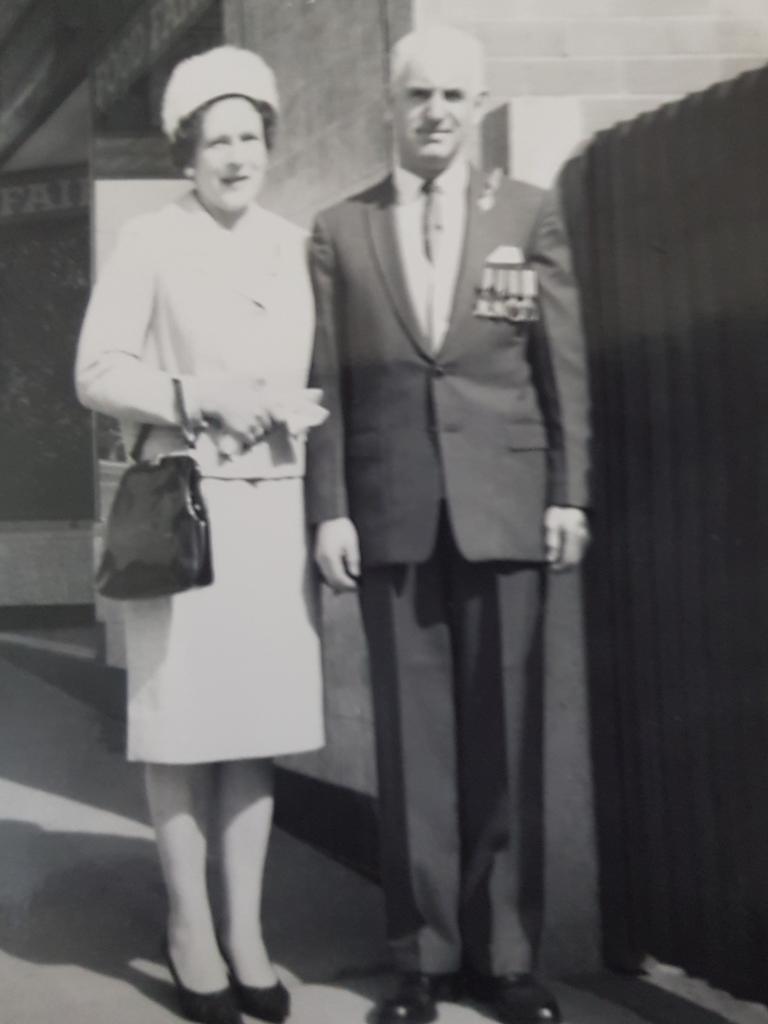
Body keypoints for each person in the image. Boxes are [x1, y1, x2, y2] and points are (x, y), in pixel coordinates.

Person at [306, 26, 590, 1024]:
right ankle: (422, 959)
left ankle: (506, 956)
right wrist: (331, 510)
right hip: (391, 514)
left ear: (477, 107)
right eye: (418, 95)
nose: (436, 112)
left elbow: (564, 363)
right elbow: (328, 388)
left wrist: (569, 490)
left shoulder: (527, 211)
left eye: (454, 97)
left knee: (506, 743)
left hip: (508, 510)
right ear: (392, 105)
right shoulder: (340, 230)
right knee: (413, 749)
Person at [76, 46, 326, 1024]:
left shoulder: (295, 243)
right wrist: (197, 393)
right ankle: (190, 929)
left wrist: (281, 406)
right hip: (181, 508)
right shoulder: (149, 240)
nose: (235, 154)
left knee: (254, 729)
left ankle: (249, 931)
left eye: (249, 136)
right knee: (180, 726)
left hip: (270, 506)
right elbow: (98, 370)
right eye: (215, 139)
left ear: (269, 144)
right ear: (188, 153)